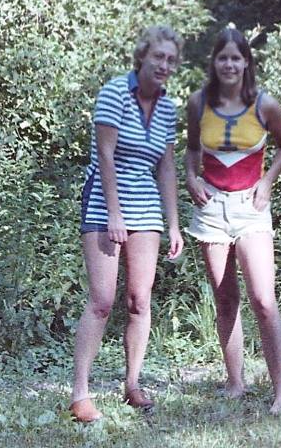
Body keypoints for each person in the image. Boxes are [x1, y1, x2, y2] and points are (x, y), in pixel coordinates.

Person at [69, 25, 185, 423]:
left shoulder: (168, 108)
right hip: (105, 201)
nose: (164, 65)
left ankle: (132, 384)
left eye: (171, 59)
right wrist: (114, 213)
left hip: (147, 208)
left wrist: (173, 223)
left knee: (139, 300)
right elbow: (104, 154)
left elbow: (166, 166)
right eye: (158, 57)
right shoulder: (115, 92)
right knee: (102, 300)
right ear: (143, 57)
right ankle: (80, 394)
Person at [185, 27, 281, 415]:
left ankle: (280, 391)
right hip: (212, 210)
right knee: (225, 298)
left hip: (251, 208)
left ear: (246, 62)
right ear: (214, 63)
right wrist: (190, 177)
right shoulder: (198, 103)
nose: (229, 64)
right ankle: (235, 382)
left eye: (236, 57)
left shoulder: (265, 105)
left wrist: (267, 181)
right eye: (222, 58)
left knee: (264, 300)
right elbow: (191, 150)